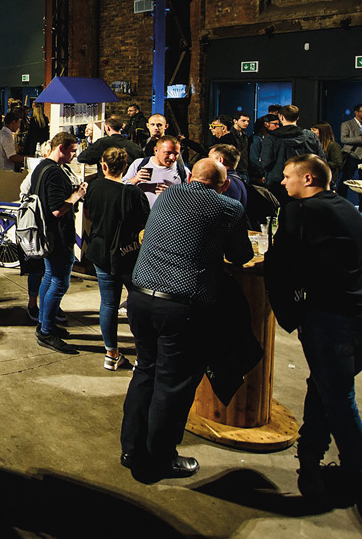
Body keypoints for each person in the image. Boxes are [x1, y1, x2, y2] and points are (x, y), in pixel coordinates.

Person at [120, 158, 253, 481]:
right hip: (181, 306)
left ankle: (132, 449)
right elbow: (241, 256)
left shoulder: (168, 195)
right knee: (172, 385)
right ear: (224, 185)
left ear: (191, 176)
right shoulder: (228, 208)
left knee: (145, 372)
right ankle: (160, 458)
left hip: (140, 297)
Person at [267, 154, 362, 502]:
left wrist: (293, 316)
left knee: (337, 398)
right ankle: (310, 460)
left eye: (288, 176)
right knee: (324, 388)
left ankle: (356, 473)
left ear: (308, 179)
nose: (283, 182)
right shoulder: (348, 208)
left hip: (335, 321)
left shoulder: (299, 211)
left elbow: (279, 265)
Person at [83, 147, 150, 370]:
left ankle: (111, 354)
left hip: (101, 252)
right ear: (125, 167)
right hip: (128, 254)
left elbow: (88, 215)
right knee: (138, 305)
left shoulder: (94, 187)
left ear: (103, 166)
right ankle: (143, 355)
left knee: (108, 303)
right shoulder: (133, 194)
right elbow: (145, 223)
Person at [30, 132, 87, 354]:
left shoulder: (42, 167)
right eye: (72, 151)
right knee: (59, 282)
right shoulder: (54, 172)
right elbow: (56, 209)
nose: (74, 155)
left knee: (49, 277)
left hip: (47, 235)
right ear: (61, 147)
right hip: (58, 236)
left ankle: (45, 324)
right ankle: (47, 331)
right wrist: (77, 195)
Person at [261, 105, 322, 198]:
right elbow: (320, 161)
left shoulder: (271, 137)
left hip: (277, 185)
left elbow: (266, 163)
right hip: (305, 184)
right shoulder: (311, 136)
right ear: (297, 118)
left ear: (281, 117)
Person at [123, 136, 189, 207]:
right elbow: (121, 188)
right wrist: (135, 179)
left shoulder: (183, 171)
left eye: (176, 154)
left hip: (166, 213)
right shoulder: (139, 164)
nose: (172, 158)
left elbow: (189, 199)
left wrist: (172, 195)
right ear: (156, 150)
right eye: (168, 153)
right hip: (140, 213)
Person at [339, 104, 362, 204]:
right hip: (352, 155)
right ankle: (341, 203)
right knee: (346, 179)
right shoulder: (347, 124)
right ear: (356, 112)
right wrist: (360, 139)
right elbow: (344, 139)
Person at [78, 116, 143, 168]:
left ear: (108, 128)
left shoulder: (102, 143)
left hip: (106, 179)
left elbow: (82, 158)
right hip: (129, 179)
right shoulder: (135, 146)